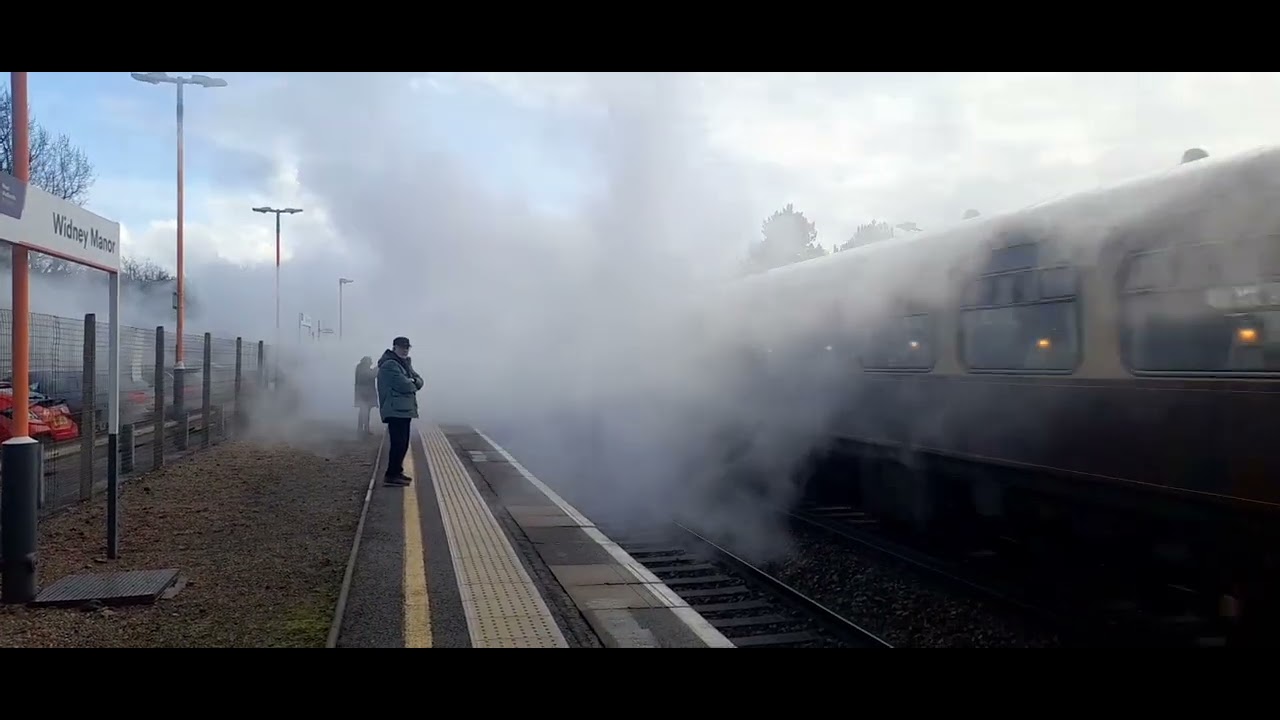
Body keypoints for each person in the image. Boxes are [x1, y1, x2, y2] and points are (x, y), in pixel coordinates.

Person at [377, 336, 424, 486]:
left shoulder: (403, 364)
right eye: (402, 347)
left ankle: (397, 472)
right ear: (394, 347)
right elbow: (404, 385)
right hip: (395, 409)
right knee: (398, 443)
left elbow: (419, 380)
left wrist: (413, 381)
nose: (405, 350)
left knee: (402, 443)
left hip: (402, 409)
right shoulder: (390, 364)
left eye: (407, 347)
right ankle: (391, 475)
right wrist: (412, 382)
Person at [354, 356, 378, 436]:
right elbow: (371, 375)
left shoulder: (360, 368)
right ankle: (363, 429)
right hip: (365, 395)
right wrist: (378, 368)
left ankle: (363, 429)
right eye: (369, 362)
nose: (370, 363)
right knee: (364, 412)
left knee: (364, 412)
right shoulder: (362, 369)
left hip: (364, 394)